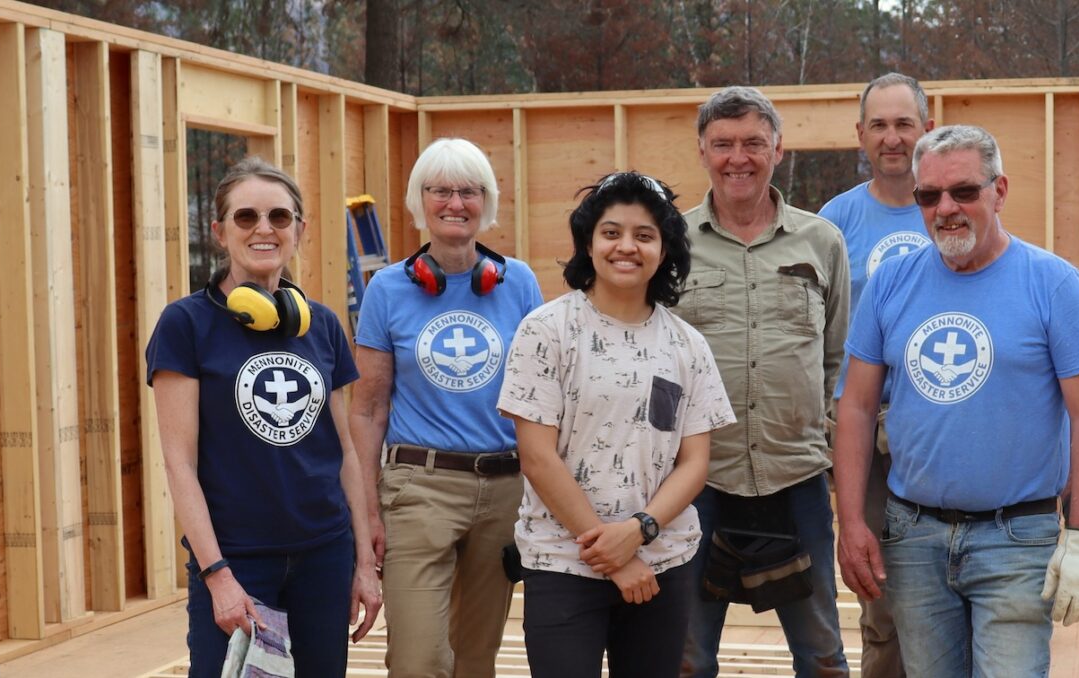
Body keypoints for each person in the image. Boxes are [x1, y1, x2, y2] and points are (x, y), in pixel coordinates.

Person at [833, 125, 1079, 677]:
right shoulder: (890, 283)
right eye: (928, 196)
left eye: (963, 191)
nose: (945, 209)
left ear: (999, 192)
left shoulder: (1052, 284)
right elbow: (856, 407)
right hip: (912, 536)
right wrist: (851, 521)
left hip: (1016, 537)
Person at [147, 156, 382, 677]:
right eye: (246, 217)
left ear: (299, 229)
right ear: (219, 232)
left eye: (279, 217)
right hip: (238, 561)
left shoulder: (320, 325)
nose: (264, 229)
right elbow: (178, 462)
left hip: (324, 555)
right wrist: (217, 576)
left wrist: (363, 563)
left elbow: (344, 450)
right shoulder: (185, 324)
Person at [497, 171, 735, 678]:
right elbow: (537, 456)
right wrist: (615, 556)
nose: (626, 247)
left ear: (665, 250)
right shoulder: (546, 331)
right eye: (611, 232)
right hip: (563, 563)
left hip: (663, 564)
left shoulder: (687, 346)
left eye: (644, 235)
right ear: (588, 243)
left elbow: (695, 463)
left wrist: (641, 531)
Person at [673, 85, 852, 678]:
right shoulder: (670, 243)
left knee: (822, 652)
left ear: (779, 148)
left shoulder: (821, 241)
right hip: (697, 482)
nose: (738, 158)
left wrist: (824, 440)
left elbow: (838, 359)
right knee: (689, 654)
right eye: (722, 144)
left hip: (795, 477)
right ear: (702, 152)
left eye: (753, 142)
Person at [350, 138, 544, 678]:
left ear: (487, 201)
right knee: (419, 661)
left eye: (468, 191)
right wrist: (367, 509)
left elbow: (545, 396)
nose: (454, 203)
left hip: (507, 489)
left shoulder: (521, 283)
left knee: (475, 660)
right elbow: (365, 411)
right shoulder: (387, 290)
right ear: (421, 200)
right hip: (420, 488)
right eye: (440, 190)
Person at [815, 71, 936, 678]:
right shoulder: (833, 224)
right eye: (880, 126)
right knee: (880, 595)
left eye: (904, 124)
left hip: (937, 424)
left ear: (927, 130)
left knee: (943, 585)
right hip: (862, 425)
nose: (893, 139)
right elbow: (814, 330)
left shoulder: (950, 208)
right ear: (861, 135)